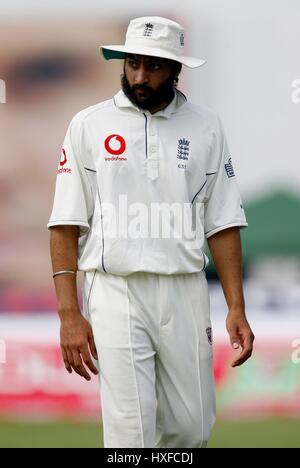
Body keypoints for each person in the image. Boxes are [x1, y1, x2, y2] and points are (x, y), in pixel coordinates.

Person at [48, 16, 255, 448]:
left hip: (184, 290)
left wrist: (236, 306)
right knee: (130, 433)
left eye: (154, 67)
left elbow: (223, 223)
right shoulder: (88, 124)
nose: (140, 77)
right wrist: (69, 314)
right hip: (115, 290)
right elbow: (65, 224)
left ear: (176, 70)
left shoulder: (207, 127)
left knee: (191, 428)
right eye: (133, 64)